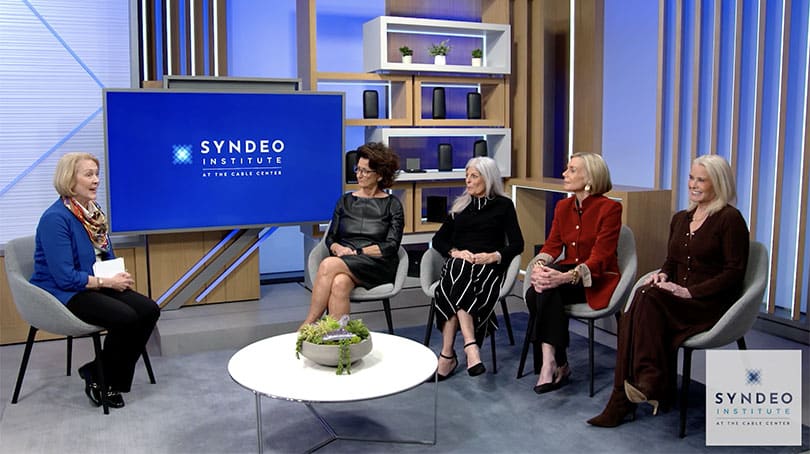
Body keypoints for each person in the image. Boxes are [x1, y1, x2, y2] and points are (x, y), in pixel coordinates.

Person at [588, 154, 749, 427]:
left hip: (707, 304)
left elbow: (734, 274)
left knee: (646, 297)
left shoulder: (729, 219)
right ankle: (635, 388)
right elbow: (672, 261)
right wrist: (663, 274)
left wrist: (690, 292)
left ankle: (640, 387)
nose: (693, 184)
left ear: (718, 184)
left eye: (701, 180)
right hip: (677, 299)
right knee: (643, 294)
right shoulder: (681, 218)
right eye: (691, 177)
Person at [30, 152, 160, 409]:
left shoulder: (93, 213)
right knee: (125, 317)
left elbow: (103, 255)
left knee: (148, 310)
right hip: (64, 292)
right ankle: (105, 380)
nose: (96, 180)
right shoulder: (55, 219)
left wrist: (115, 276)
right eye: (88, 174)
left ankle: (97, 373)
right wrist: (108, 284)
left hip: (95, 282)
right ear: (69, 180)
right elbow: (64, 276)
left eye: (96, 174)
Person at [524, 152, 622, 394]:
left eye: (572, 170)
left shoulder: (610, 209)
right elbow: (552, 245)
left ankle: (553, 364)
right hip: (567, 272)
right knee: (538, 290)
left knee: (545, 290)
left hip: (596, 277)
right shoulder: (563, 206)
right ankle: (554, 362)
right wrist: (539, 267)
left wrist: (563, 277)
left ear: (590, 177)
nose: (564, 174)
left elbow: (601, 257)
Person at [430, 156, 524, 380]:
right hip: (458, 265)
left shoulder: (503, 205)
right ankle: (471, 347)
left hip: (487, 269)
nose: (468, 181)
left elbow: (518, 244)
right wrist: (455, 252)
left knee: (451, 283)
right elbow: (438, 240)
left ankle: (447, 355)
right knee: (458, 267)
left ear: (488, 178)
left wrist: (494, 256)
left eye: (473, 176)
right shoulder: (461, 206)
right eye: (466, 176)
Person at [301, 142, 404, 325]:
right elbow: (330, 237)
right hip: (345, 261)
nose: (359, 174)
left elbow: (391, 246)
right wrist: (337, 247)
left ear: (379, 175)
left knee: (328, 265)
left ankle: (309, 324)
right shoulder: (345, 201)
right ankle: (338, 338)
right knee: (340, 283)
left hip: (377, 265)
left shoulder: (392, 204)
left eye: (365, 171)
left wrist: (358, 253)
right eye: (358, 169)